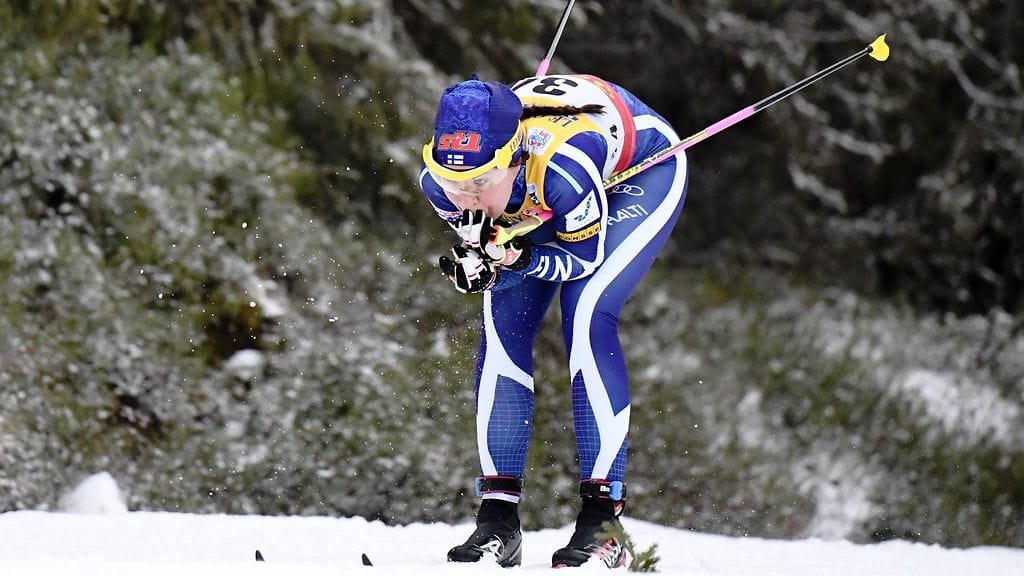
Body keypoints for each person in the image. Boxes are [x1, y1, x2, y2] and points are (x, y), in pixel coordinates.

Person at [417, 73, 688, 568]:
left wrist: (515, 258)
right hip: (541, 192)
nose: (468, 198)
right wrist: (480, 262)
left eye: (480, 182)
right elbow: (487, 234)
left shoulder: (564, 167)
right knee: (500, 324)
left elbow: (580, 260)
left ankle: (603, 527)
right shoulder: (442, 185)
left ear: (512, 158)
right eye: (457, 183)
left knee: (586, 312)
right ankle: (497, 519)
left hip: (639, 173)